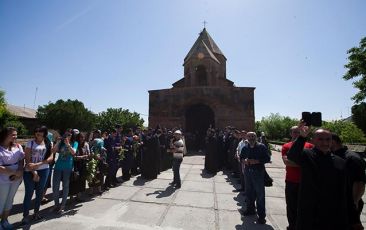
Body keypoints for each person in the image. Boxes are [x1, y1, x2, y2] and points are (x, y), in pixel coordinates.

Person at [287, 123, 348, 230]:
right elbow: (292, 155)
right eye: (320, 139)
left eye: (328, 139)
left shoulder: (340, 162)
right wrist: (301, 137)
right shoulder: (307, 155)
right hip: (308, 213)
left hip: (331, 214)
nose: (325, 143)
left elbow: (344, 191)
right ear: (313, 141)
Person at [281, 126, 313, 230]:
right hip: (291, 181)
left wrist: (297, 162)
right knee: (291, 206)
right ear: (291, 133)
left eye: (299, 132)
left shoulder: (310, 146)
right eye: (295, 132)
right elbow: (287, 162)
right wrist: (306, 163)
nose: (297, 134)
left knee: (306, 207)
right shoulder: (286, 146)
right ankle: (292, 226)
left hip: (307, 182)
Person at [331, 133, 366, 230]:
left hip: (349, 204)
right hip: (337, 202)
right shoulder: (332, 155)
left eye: (326, 140)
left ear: (333, 142)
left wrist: (355, 202)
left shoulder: (352, 158)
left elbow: (360, 183)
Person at [22, 126, 53, 224]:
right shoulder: (30, 143)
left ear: (45, 133)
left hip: (44, 170)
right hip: (29, 172)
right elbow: (27, 160)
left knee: (40, 193)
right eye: (36, 131)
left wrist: (38, 164)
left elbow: (51, 158)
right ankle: (25, 216)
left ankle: (36, 213)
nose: (38, 133)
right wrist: (34, 173)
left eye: (40, 131)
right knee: (29, 193)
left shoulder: (49, 143)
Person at [240, 131, 270, 224]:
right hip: (248, 172)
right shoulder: (245, 147)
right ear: (247, 138)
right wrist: (244, 161)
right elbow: (241, 157)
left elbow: (267, 159)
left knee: (260, 194)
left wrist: (256, 161)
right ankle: (250, 210)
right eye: (249, 137)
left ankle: (261, 216)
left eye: (253, 136)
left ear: (256, 137)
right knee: (249, 192)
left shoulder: (261, 147)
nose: (251, 138)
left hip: (258, 172)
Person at [0, 127, 24, 230]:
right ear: (5, 135)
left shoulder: (18, 146)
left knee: (10, 200)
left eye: (16, 134)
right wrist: (14, 172)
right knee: (1, 200)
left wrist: (19, 171)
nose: (15, 136)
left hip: (16, 178)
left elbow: (21, 159)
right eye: (13, 134)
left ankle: (5, 221)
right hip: (3, 179)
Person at [51, 129, 78, 214]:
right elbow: (53, 151)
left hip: (68, 167)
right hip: (58, 167)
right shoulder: (61, 143)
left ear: (72, 136)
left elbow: (73, 152)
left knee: (65, 186)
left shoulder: (75, 143)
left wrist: (68, 145)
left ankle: (63, 206)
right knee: (55, 186)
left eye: (69, 135)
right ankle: (56, 205)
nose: (67, 136)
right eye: (66, 135)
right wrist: (58, 142)